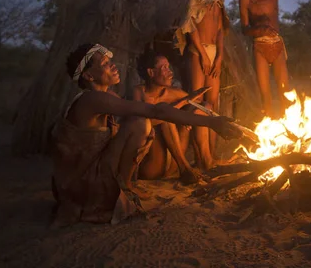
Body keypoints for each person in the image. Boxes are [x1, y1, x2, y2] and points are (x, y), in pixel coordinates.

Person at [51, 43, 241, 226]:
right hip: (84, 187)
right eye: (105, 64)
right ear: (89, 75)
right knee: (139, 123)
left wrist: (190, 108)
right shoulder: (92, 99)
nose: (113, 66)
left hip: (90, 178)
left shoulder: (106, 97)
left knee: (141, 122)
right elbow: (156, 112)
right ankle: (123, 191)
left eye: (110, 62)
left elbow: (157, 114)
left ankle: (125, 188)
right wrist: (211, 122)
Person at [176, 0, 233, 168]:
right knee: (197, 103)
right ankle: (201, 157)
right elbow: (190, 24)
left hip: (213, 51)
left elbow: (219, 29)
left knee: (213, 105)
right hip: (197, 51)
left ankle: (212, 154)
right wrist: (201, 53)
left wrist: (218, 57)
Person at [133, 49, 211, 185]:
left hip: (173, 165)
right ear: (151, 72)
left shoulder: (173, 93)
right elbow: (139, 123)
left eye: (169, 67)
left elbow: (206, 106)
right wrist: (183, 103)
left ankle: (206, 161)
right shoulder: (139, 92)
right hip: (152, 167)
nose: (170, 72)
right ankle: (185, 169)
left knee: (195, 112)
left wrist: (190, 113)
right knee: (166, 117)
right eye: (164, 68)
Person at [238, 0, 294, 117]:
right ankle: (268, 125)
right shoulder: (246, 0)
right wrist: (260, 30)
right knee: (265, 94)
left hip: (277, 44)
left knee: (284, 90)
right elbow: (244, 29)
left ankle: (288, 124)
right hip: (259, 47)